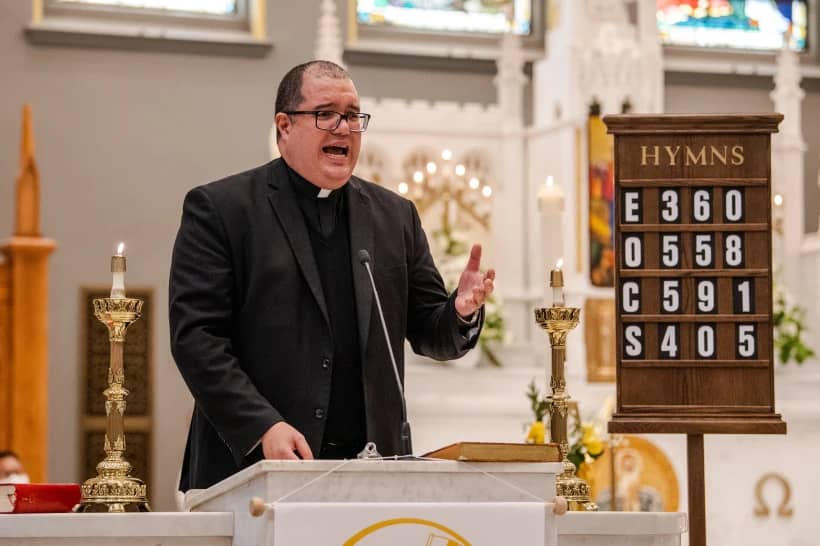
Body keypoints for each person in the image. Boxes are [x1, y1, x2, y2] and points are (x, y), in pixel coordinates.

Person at [169, 60, 496, 491]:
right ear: (284, 126)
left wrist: (459, 311)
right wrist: (263, 426)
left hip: (371, 471)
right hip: (253, 466)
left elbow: (430, 332)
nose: (344, 128)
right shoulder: (223, 210)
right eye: (326, 113)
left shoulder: (394, 217)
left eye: (354, 115)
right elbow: (197, 339)